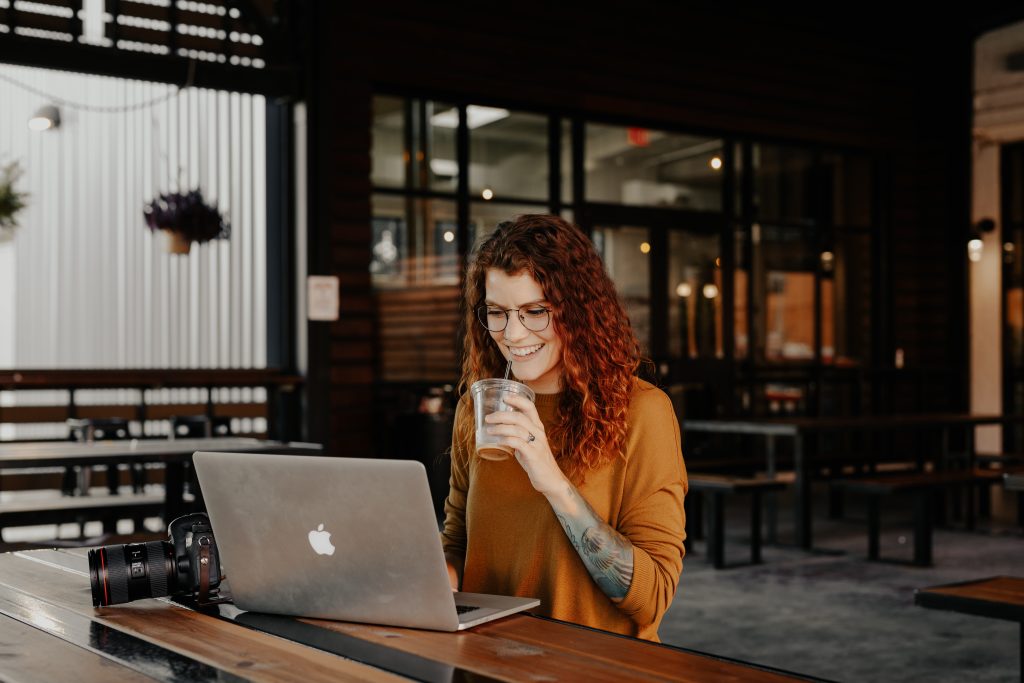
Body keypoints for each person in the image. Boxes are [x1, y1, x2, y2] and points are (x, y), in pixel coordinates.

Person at [441, 214, 687, 642]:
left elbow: (652, 598)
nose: (513, 334)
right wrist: (421, 574)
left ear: (578, 310)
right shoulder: (477, 409)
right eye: (497, 312)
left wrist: (552, 480)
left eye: (536, 311)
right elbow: (459, 542)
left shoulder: (642, 412)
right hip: (486, 663)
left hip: (593, 666)